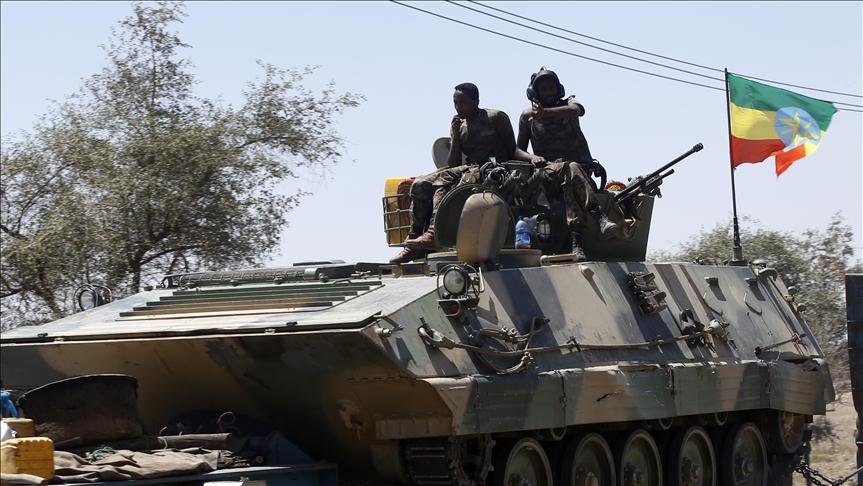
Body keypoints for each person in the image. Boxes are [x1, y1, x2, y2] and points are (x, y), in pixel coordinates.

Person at [390, 83, 517, 264]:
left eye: (462, 102)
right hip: (468, 167)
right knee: (419, 184)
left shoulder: (495, 117)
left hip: (492, 168)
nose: (458, 107)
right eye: (455, 103)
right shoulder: (459, 124)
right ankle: (413, 243)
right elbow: (453, 163)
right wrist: (456, 136)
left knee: (444, 181)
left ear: (476, 101)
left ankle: (434, 233)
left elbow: (513, 149)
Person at [514, 67, 620, 261]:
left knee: (570, 172)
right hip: (547, 170)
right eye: (544, 88)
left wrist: (546, 113)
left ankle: (577, 244)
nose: (549, 91)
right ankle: (599, 216)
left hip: (579, 171)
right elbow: (516, 150)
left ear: (559, 88)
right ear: (535, 93)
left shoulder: (569, 104)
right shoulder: (527, 116)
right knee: (568, 169)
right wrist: (531, 158)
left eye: (552, 87)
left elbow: (577, 110)